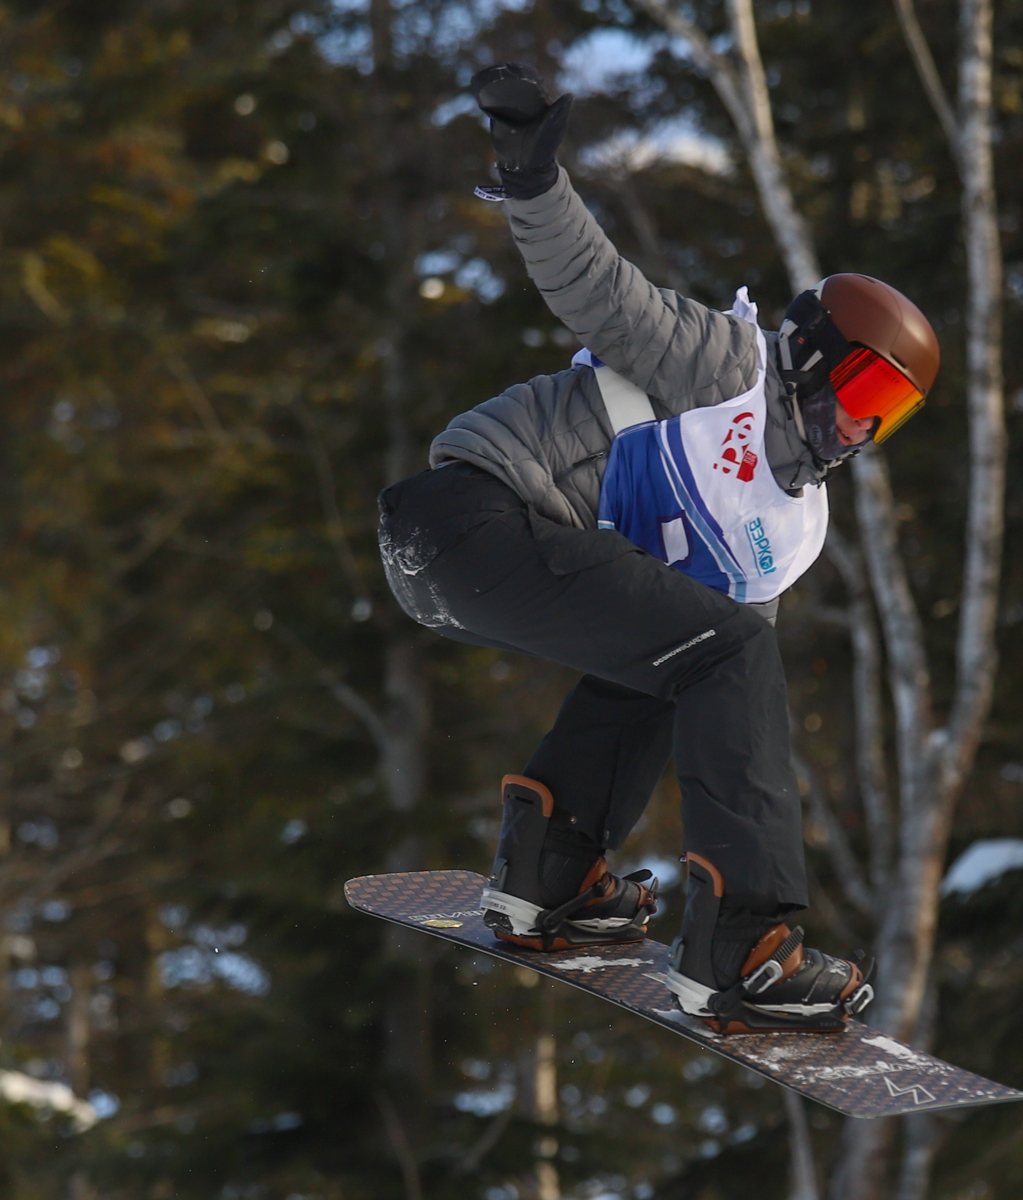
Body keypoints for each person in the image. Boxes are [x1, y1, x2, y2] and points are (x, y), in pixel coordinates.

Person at [376, 63, 939, 1033]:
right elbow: (597, 289)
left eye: (881, 416)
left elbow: (720, 676)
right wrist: (529, 173)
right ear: (808, 350)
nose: (854, 431)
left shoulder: (790, 526)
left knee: (696, 653)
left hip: (469, 562)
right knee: (725, 647)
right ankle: (741, 948)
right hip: (465, 514)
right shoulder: (727, 365)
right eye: (855, 394)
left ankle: (547, 877)